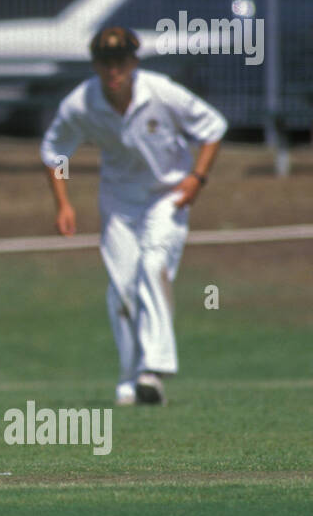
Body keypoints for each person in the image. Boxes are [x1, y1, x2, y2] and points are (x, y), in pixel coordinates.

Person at [39, 26, 227, 406]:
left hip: (168, 195)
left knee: (153, 266)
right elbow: (54, 150)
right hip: (119, 201)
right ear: (95, 65)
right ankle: (129, 377)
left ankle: (152, 371)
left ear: (134, 61)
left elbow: (212, 126)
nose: (114, 70)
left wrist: (197, 179)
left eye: (121, 61)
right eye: (106, 62)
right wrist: (63, 204)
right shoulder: (81, 103)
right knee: (122, 287)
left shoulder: (160, 91)